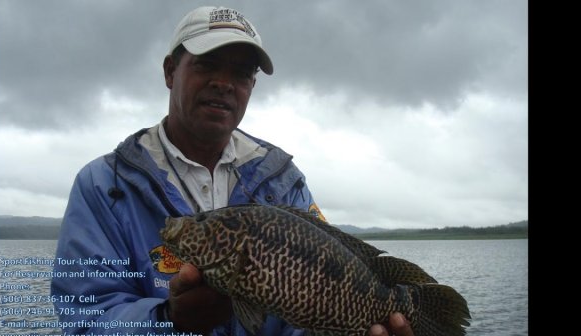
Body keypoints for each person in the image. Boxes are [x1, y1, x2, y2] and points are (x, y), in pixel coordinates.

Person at [50, 6, 413, 336]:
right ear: (170, 71)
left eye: (240, 73)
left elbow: (311, 306)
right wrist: (167, 321)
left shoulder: (284, 180)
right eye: (207, 64)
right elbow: (85, 318)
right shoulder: (103, 186)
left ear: (251, 87)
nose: (224, 83)